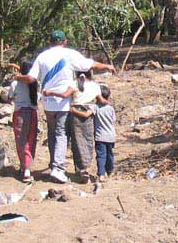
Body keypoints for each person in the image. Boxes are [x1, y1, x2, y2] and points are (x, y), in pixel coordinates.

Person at [15, 30, 115, 184]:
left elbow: (30, 78)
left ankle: (53, 163)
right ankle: (58, 168)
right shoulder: (70, 54)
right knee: (61, 134)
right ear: (65, 41)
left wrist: (17, 77)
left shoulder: (42, 56)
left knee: (52, 132)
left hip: (48, 103)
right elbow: (90, 64)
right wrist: (107, 66)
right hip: (63, 103)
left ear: (49, 41)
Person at [43, 71, 103, 183]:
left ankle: (78, 169)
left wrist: (51, 92)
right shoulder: (95, 85)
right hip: (89, 115)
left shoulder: (75, 83)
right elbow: (100, 100)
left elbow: (65, 95)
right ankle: (85, 168)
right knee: (87, 142)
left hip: (75, 113)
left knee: (76, 143)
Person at [69, 85, 116, 183]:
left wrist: (73, 110)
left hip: (100, 137)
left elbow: (86, 114)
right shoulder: (111, 108)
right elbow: (113, 120)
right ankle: (110, 171)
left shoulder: (95, 107)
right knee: (110, 154)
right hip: (111, 136)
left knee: (101, 156)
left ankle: (101, 174)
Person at [7, 60, 38, 183]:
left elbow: (9, 99)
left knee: (21, 141)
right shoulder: (35, 83)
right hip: (33, 113)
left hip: (20, 113)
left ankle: (25, 168)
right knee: (31, 141)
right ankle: (27, 167)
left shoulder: (15, 83)